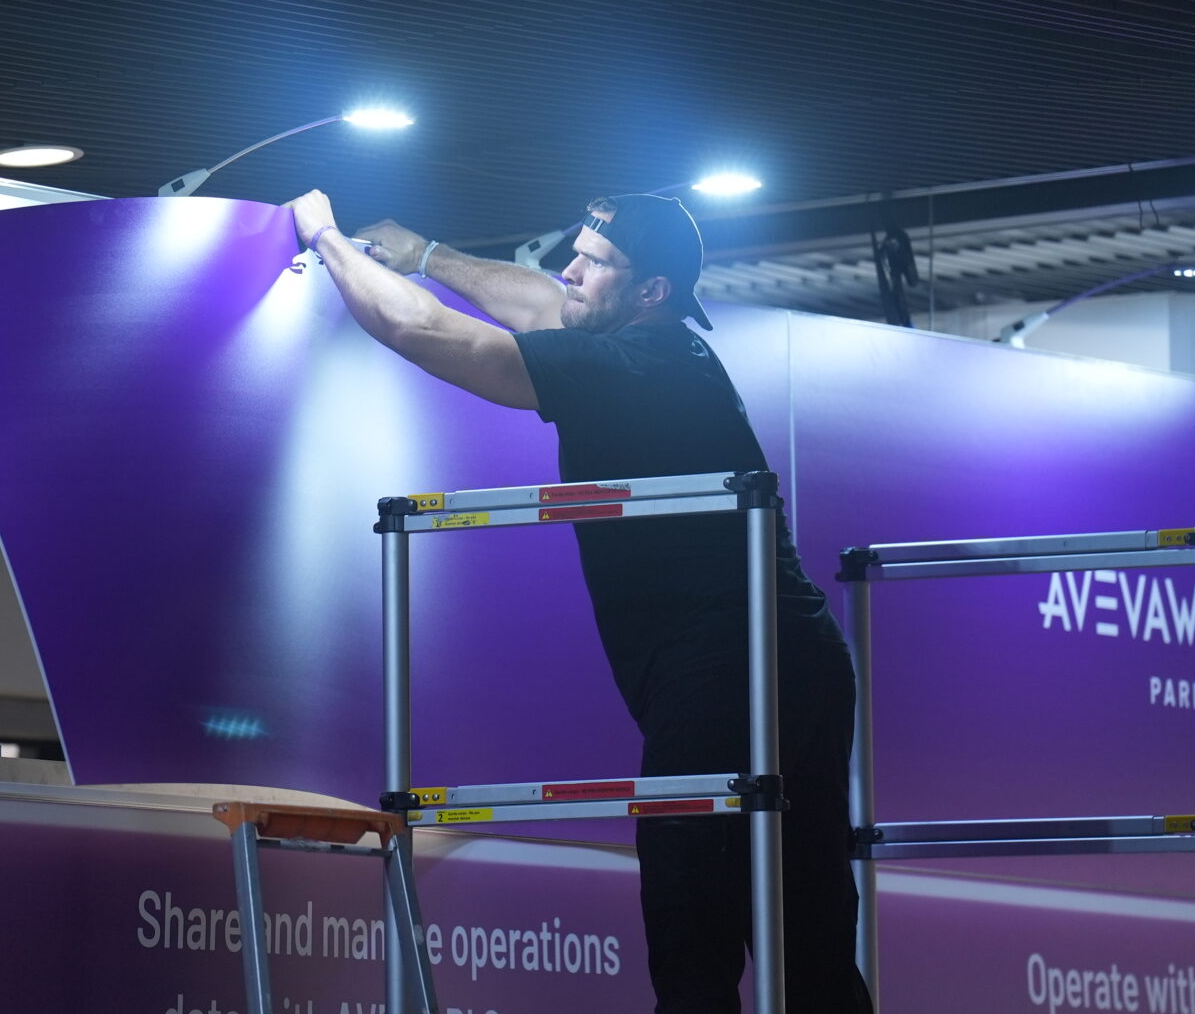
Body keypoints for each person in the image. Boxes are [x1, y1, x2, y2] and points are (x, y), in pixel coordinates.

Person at [285, 189, 873, 1014]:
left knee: (693, 921)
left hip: (728, 663)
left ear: (650, 291)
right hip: (793, 656)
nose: (570, 270)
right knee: (803, 932)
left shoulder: (629, 370)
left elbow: (426, 332)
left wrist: (325, 237)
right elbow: (542, 303)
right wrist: (427, 254)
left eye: (596, 264)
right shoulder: (663, 348)